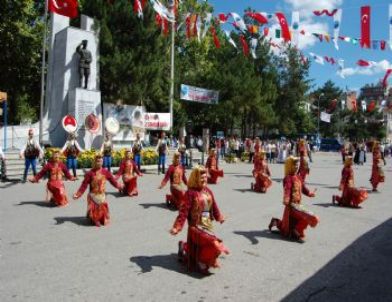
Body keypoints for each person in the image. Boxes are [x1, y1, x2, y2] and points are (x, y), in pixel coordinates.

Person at [170, 166, 229, 274]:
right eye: (202, 178)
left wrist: (219, 217)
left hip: (207, 225)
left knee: (206, 246)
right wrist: (177, 227)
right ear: (195, 178)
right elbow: (183, 213)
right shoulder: (190, 194)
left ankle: (184, 246)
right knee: (214, 244)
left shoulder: (208, 191)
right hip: (195, 227)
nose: (204, 180)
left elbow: (214, 206)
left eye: (205, 178)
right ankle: (198, 259)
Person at [268, 156, 319, 243]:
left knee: (288, 227)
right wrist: (286, 198)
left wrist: (310, 193)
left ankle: (278, 223)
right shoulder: (288, 178)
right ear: (289, 165)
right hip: (291, 206)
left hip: (298, 205)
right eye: (294, 164)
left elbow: (303, 188)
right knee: (308, 217)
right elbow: (287, 189)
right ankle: (295, 231)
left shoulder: (298, 177)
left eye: (297, 164)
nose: (296, 166)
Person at [73, 154, 123, 227]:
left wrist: (119, 186)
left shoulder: (106, 172)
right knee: (95, 211)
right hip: (93, 195)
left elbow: (113, 181)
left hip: (102, 195)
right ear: (94, 162)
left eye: (100, 161)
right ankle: (94, 219)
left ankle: (99, 218)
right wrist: (78, 194)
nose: (99, 163)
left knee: (103, 211)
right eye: (97, 161)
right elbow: (84, 185)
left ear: (102, 162)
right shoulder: (90, 173)